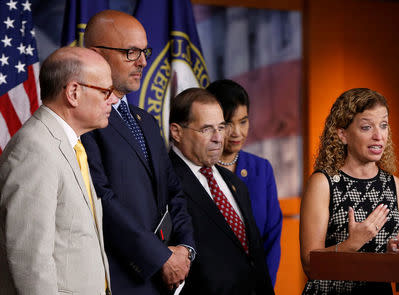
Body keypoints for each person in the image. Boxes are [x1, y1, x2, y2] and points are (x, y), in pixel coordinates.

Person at [81, 10, 196, 295]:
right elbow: (101, 200)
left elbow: (173, 192)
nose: (144, 61)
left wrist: (184, 248)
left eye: (145, 51)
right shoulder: (84, 120)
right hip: (120, 280)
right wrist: (160, 258)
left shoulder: (146, 119)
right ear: (97, 54)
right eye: (131, 52)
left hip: (165, 280)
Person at [0, 47, 116, 294]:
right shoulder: (35, 148)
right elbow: (30, 261)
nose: (113, 99)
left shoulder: (69, 143)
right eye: (106, 91)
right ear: (74, 92)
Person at [300, 88, 399, 294]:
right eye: (366, 127)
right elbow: (310, 264)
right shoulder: (323, 183)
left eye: (384, 125)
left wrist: (395, 256)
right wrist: (353, 243)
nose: (379, 136)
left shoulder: (396, 186)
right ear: (342, 134)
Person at [168, 87, 275, 295]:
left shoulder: (235, 184)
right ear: (177, 132)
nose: (219, 138)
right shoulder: (164, 182)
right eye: (206, 129)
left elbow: (255, 259)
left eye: (221, 127)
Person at [207, 79, 282, 286]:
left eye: (243, 121)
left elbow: (272, 237)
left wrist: (265, 287)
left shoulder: (261, 169)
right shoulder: (199, 169)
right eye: (229, 123)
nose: (238, 133)